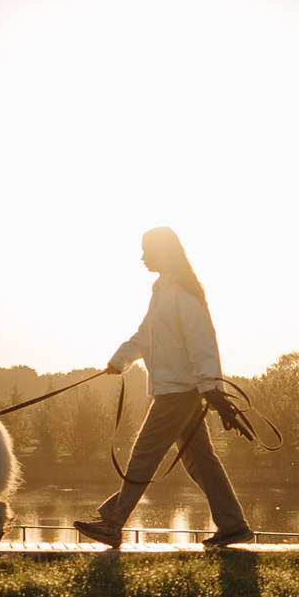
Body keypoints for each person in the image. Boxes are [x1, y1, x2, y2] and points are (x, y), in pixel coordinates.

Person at [72, 226, 255, 550]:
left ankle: (113, 524)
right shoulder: (163, 290)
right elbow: (146, 336)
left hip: (180, 391)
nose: (142, 257)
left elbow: (202, 341)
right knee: (201, 461)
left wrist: (209, 385)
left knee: (143, 456)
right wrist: (120, 360)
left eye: (147, 250)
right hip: (178, 389)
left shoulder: (183, 292)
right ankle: (234, 525)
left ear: (164, 251)